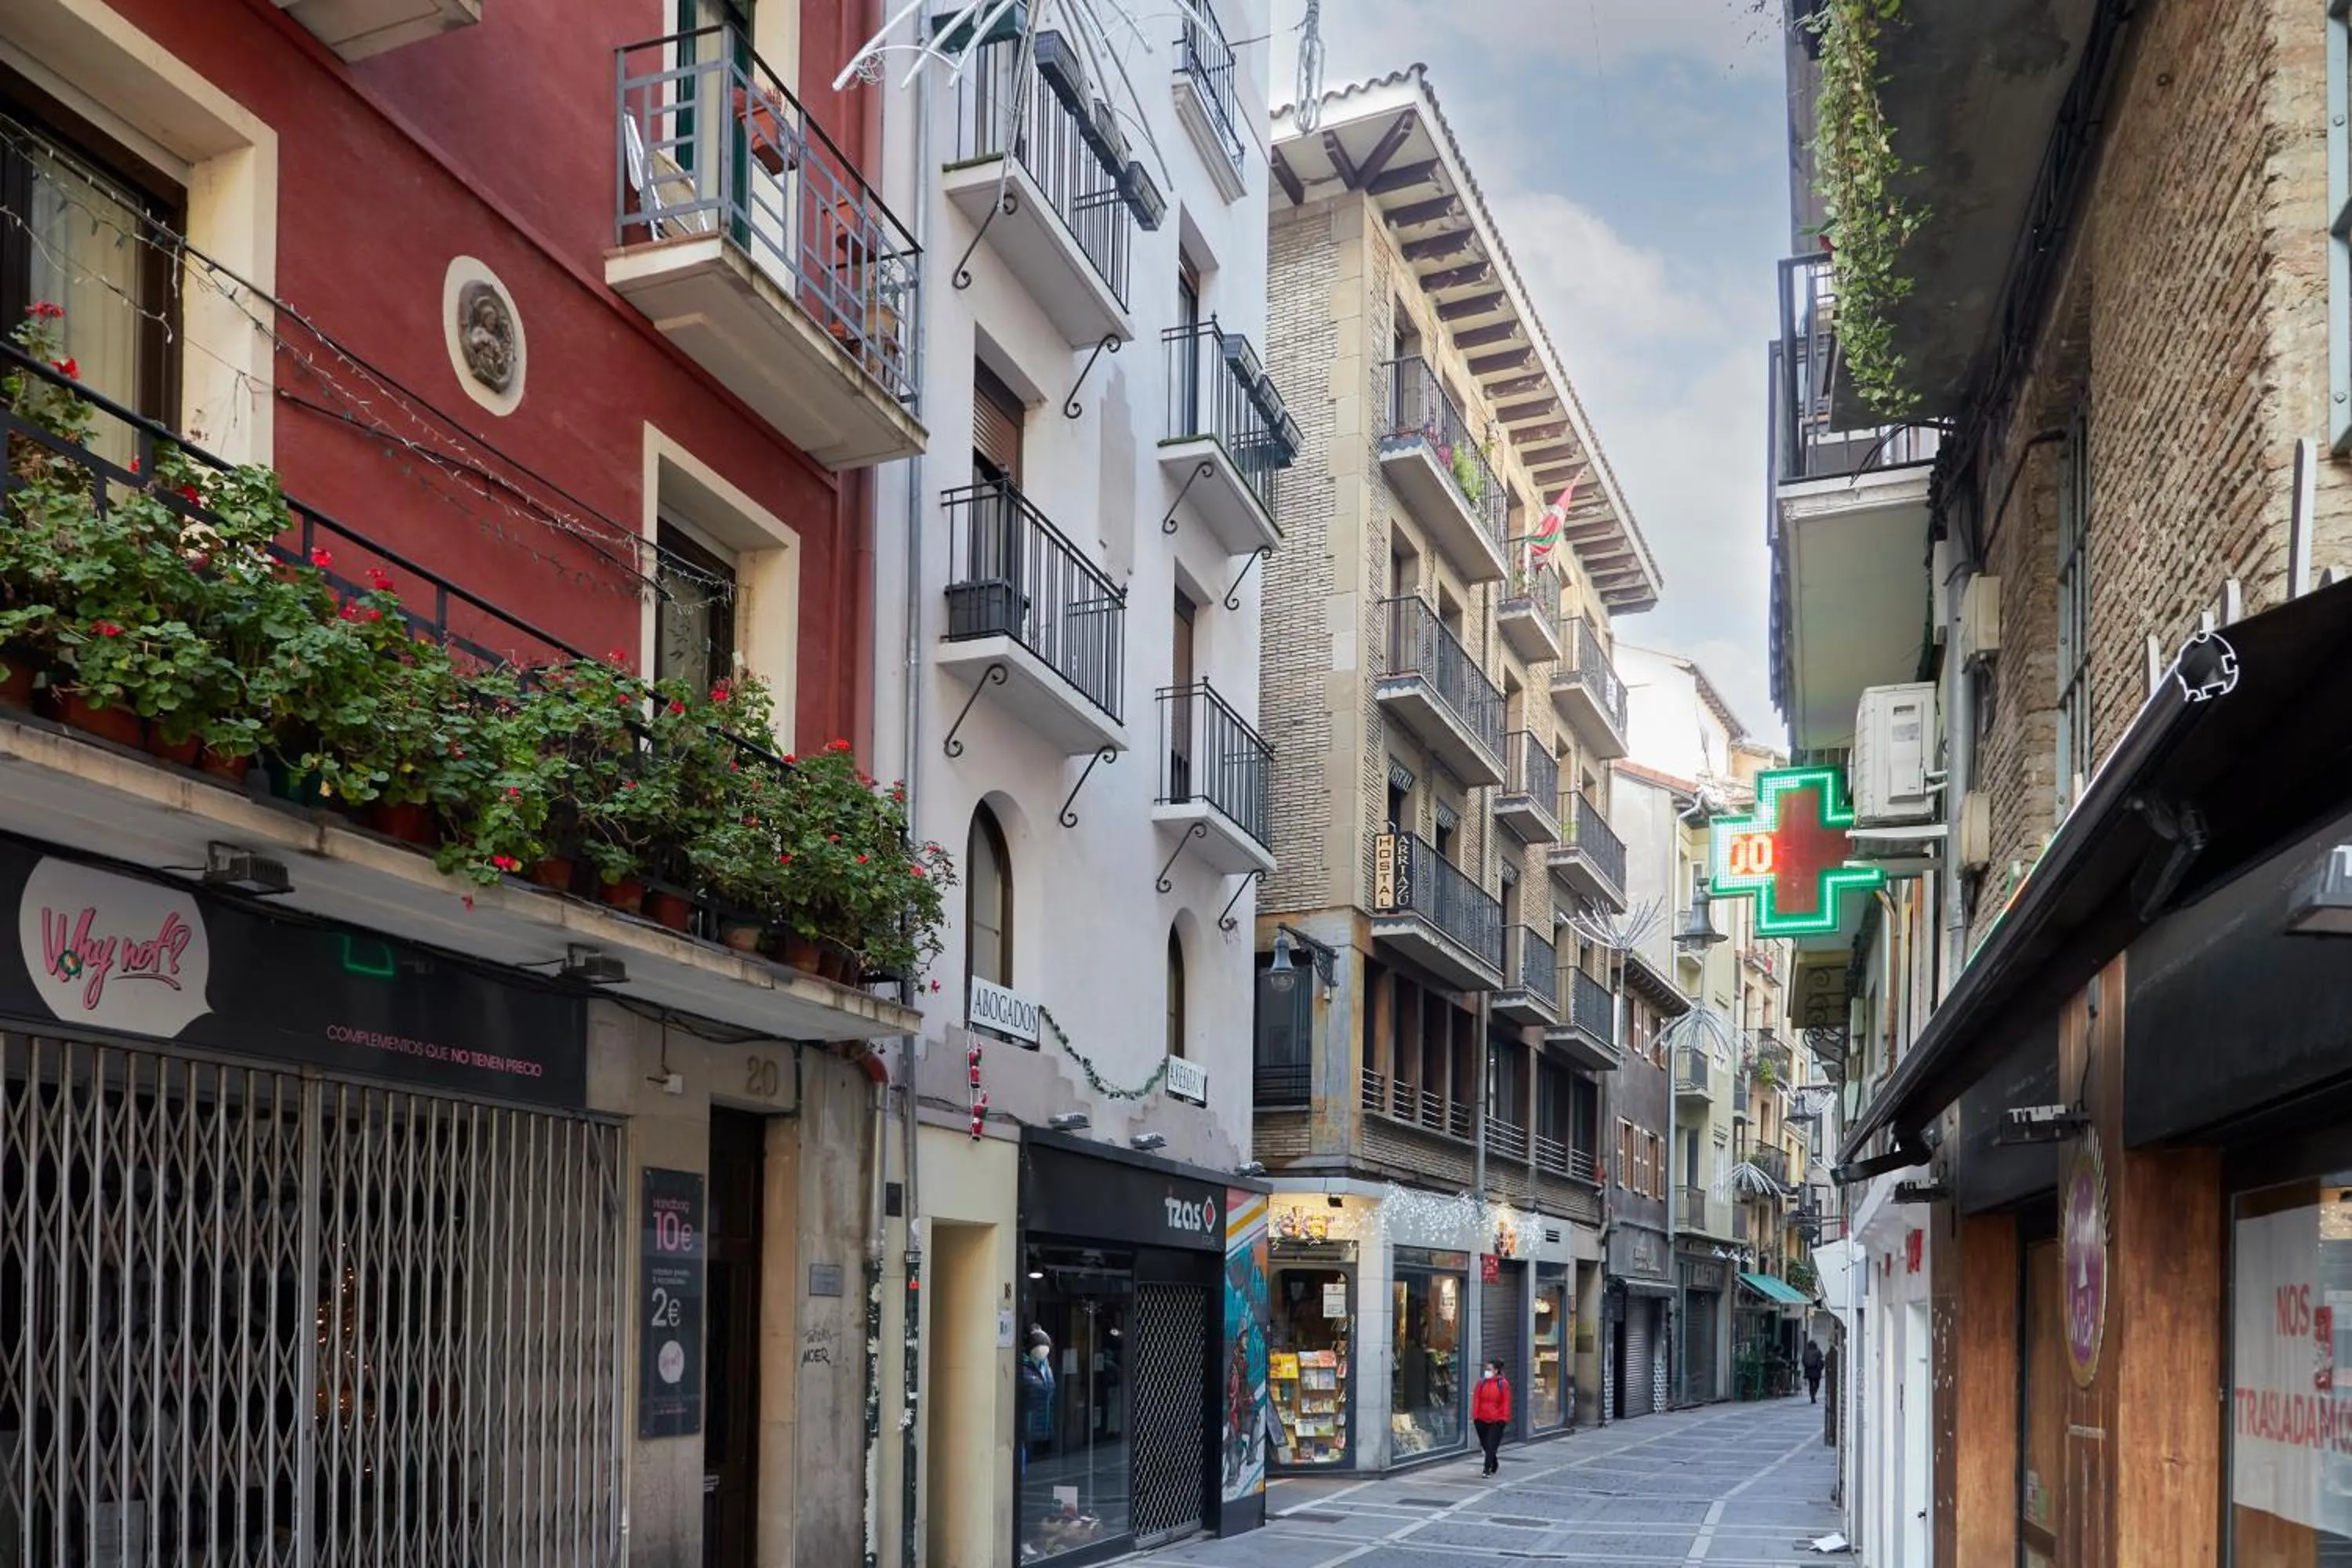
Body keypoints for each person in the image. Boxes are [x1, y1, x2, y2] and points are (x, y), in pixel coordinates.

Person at [1019, 1327, 1057, 1480]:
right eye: (1040, 1347)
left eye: (1046, 1348)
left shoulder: (1047, 1367)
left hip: (1043, 1425)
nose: (1044, 1351)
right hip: (1025, 1426)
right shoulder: (1022, 1368)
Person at [1472, 1358, 1512, 1476]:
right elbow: (1476, 1399)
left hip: (1497, 1420)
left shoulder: (1503, 1384)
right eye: (1486, 1369)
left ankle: (1486, 1469)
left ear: (1496, 1370)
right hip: (1481, 1418)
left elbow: (1506, 1402)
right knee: (1485, 1444)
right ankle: (1494, 1463)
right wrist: (1475, 1415)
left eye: (1489, 1369)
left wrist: (1504, 1418)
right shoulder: (1481, 1383)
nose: (1486, 1371)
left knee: (1491, 1444)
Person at [1802, 1338, 1825, 1405]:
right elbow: (1822, 1360)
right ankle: (1814, 1394)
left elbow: (1803, 1360)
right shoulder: (1818, 1351)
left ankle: (1812, 1395)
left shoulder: (1806, 1351)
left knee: (1811, 1384)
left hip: (1809, 1370)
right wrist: (1821, 1367)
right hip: (1816, 1370)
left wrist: (1806, 1367)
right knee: (1817, 1384)